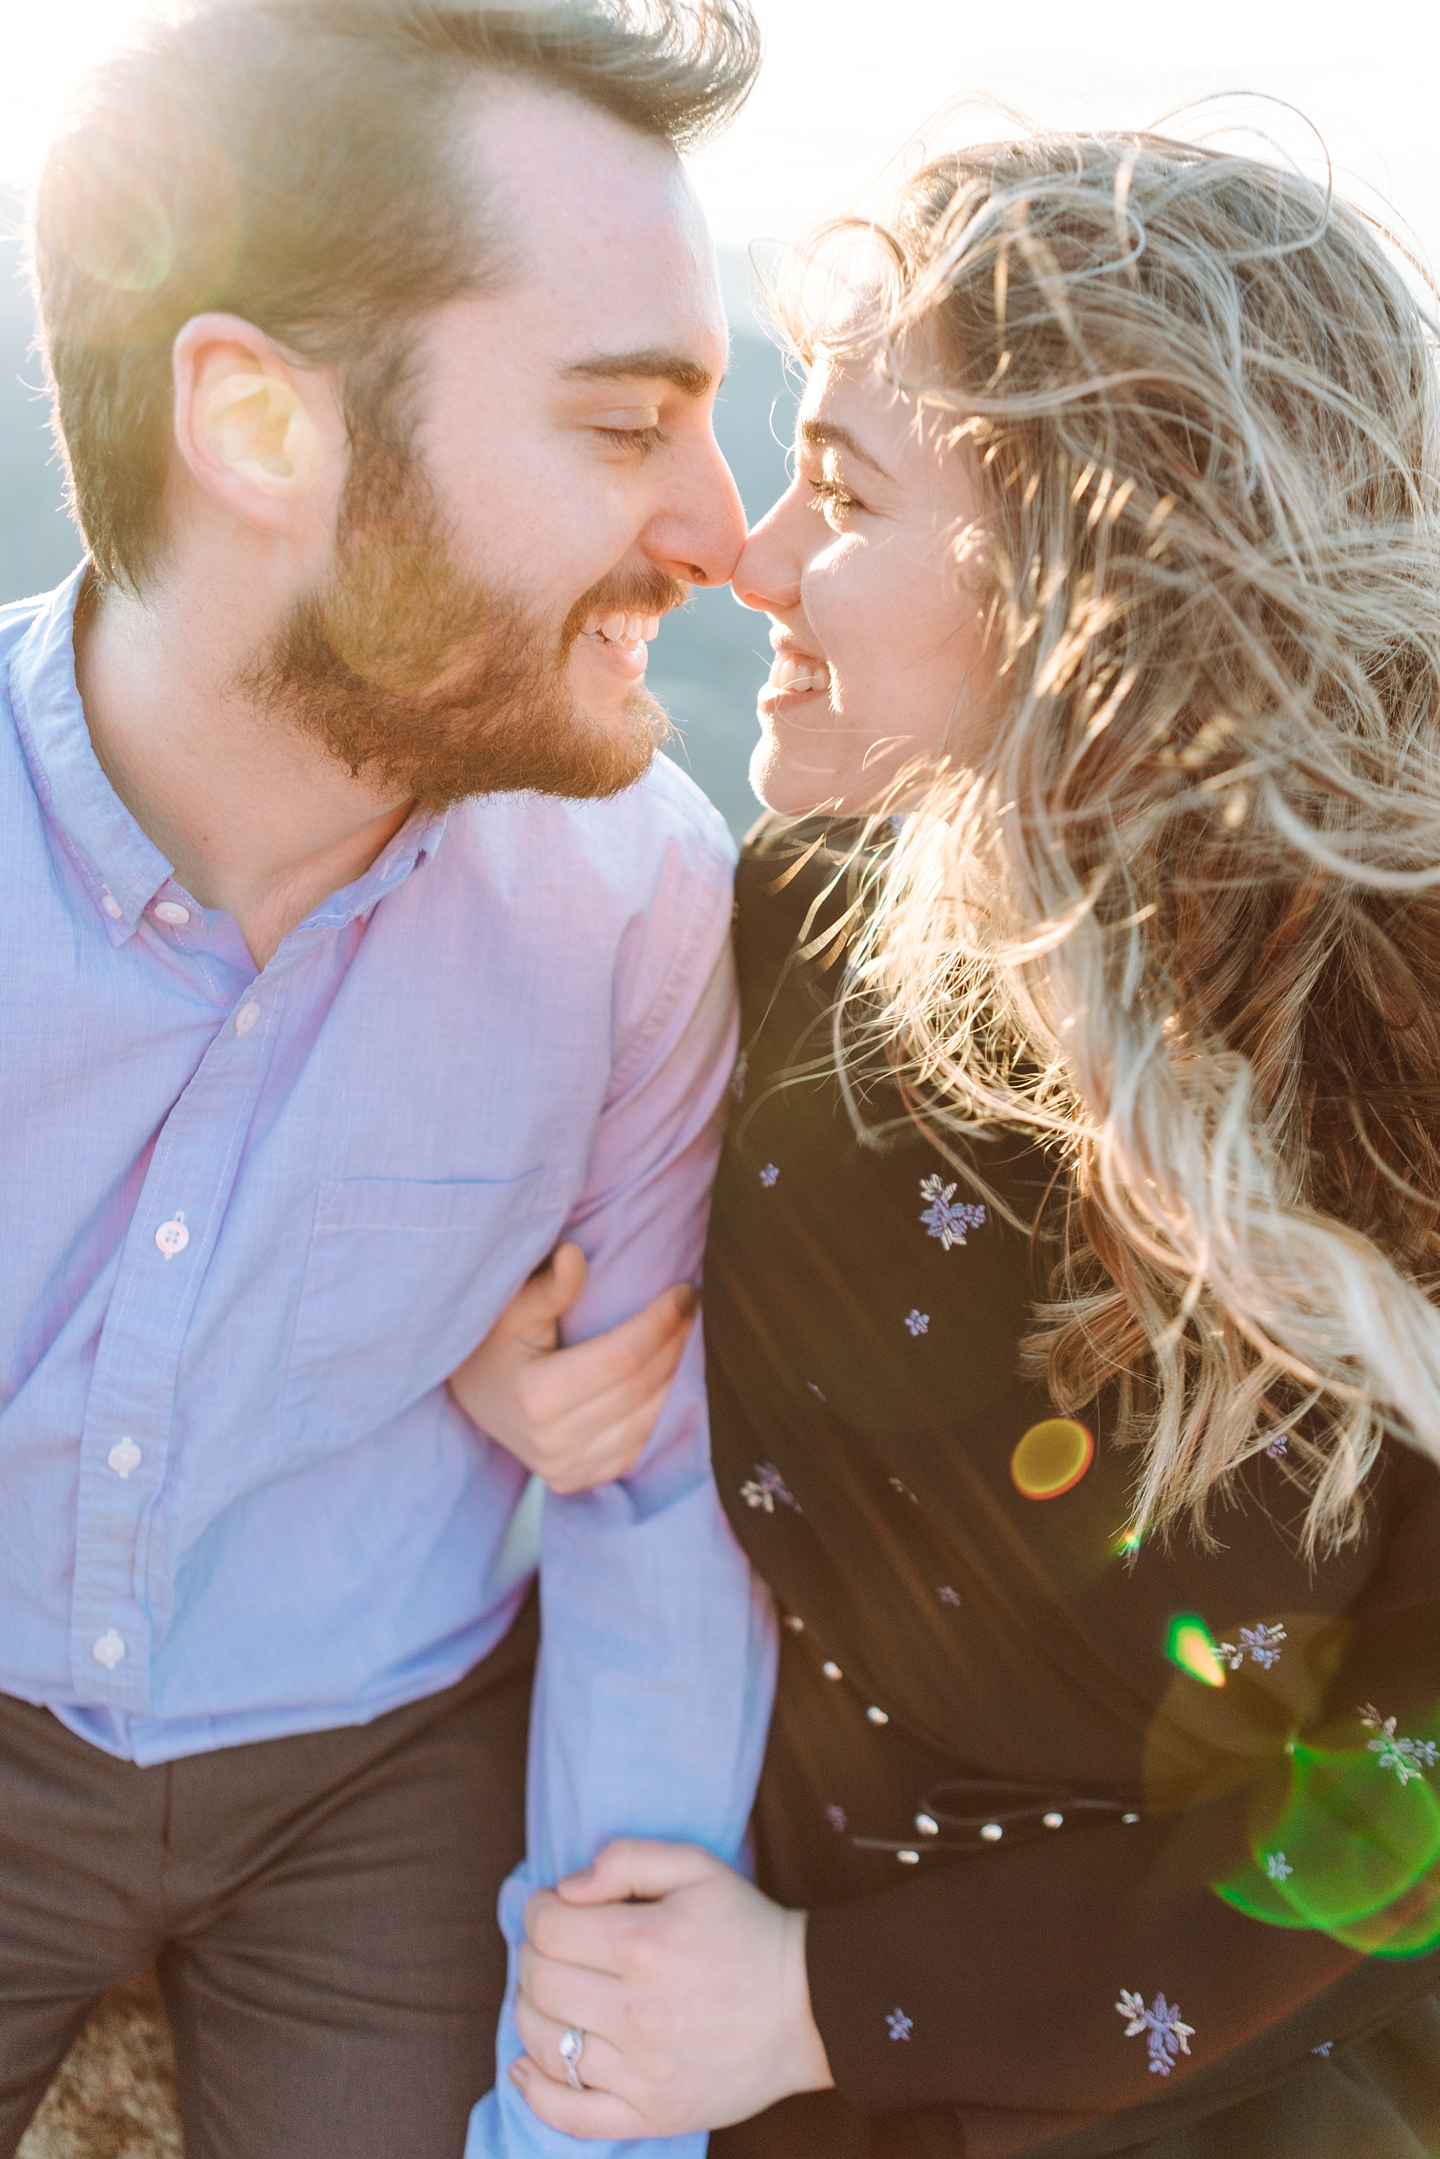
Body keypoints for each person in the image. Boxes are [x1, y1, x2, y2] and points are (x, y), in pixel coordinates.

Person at [460, 130, 1440, 2155]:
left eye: (844, 495)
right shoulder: (790, 923)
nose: (748, 567)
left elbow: (1408, 1797)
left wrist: (828, 2005)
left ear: (1098, 561)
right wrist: (484, 1360)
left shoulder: (1392, 1071)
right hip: (767, 2085)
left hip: (1245, 2103)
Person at [0, 7, 777, 2159]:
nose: (728, 530)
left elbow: (644, 1516)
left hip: (384, 1756)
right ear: (257, 425)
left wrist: (593, 2108)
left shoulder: (638, 904)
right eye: (629, 427)